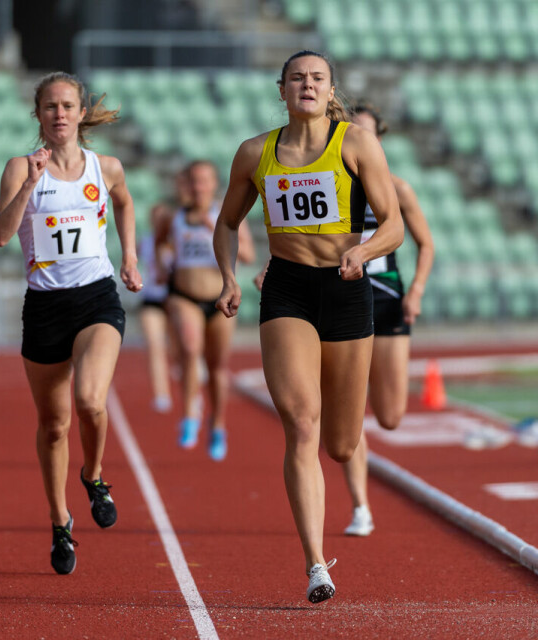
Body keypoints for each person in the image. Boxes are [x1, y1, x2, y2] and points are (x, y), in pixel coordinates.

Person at [213, 51, 403, 603]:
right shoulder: (256, 153)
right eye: (297, 78)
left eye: (317, 78)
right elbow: (226, 224)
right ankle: (316, 563)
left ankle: (344, 483)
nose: (307, 85)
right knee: (301, 423)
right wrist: (229, 277)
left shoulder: (356, 143)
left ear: (330, 89)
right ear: (282, 90)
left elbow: (393, 226)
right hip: (288, 289)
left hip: (346, 291)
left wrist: (363, 251)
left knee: (342, 445)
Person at [0, 71, 142, 576]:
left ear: (81, 114)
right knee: (54, 425)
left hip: (96, 297)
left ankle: (94, 475)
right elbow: (0, 235)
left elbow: (124, 201)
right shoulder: (20, 167)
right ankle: (60, 521)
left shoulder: (108, 167)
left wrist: (131, 257)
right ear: (38, 115)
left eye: (67, 105)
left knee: (90, 401)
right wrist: (31, 183)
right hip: (45, 306)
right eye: (50, 106)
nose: (59, 114)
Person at [340, 104, 435, 536]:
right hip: (342, 301)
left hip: (389, 300)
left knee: (391, 416)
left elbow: (426, 245)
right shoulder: (330, 183)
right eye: (351, 131)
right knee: (349, 412)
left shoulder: (397, 188)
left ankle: (375, 381)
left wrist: (415, 291)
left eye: (367, 133)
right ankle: (361, 506)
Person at [159, 159, 254, 460]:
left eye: (204, 180)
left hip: (219, 299)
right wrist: (163, 262)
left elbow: (249, 255)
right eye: (194, 181)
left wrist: (215, 230)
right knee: (189, 348)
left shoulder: (225, 216)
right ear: (187, 185)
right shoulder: (174, 216)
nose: (199, 186)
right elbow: (161, 244)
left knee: (217, 366)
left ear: (214, 184)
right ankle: (190, 415)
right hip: (184, 295)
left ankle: (218, 424)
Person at [138, 201, 176, 413]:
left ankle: (193, 393)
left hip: (175, 300)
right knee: (155, 346)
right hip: (151, 299)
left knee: (182, 350)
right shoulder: (144, 242)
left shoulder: (177, 241)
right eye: (156, 218)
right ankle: (161, 394)